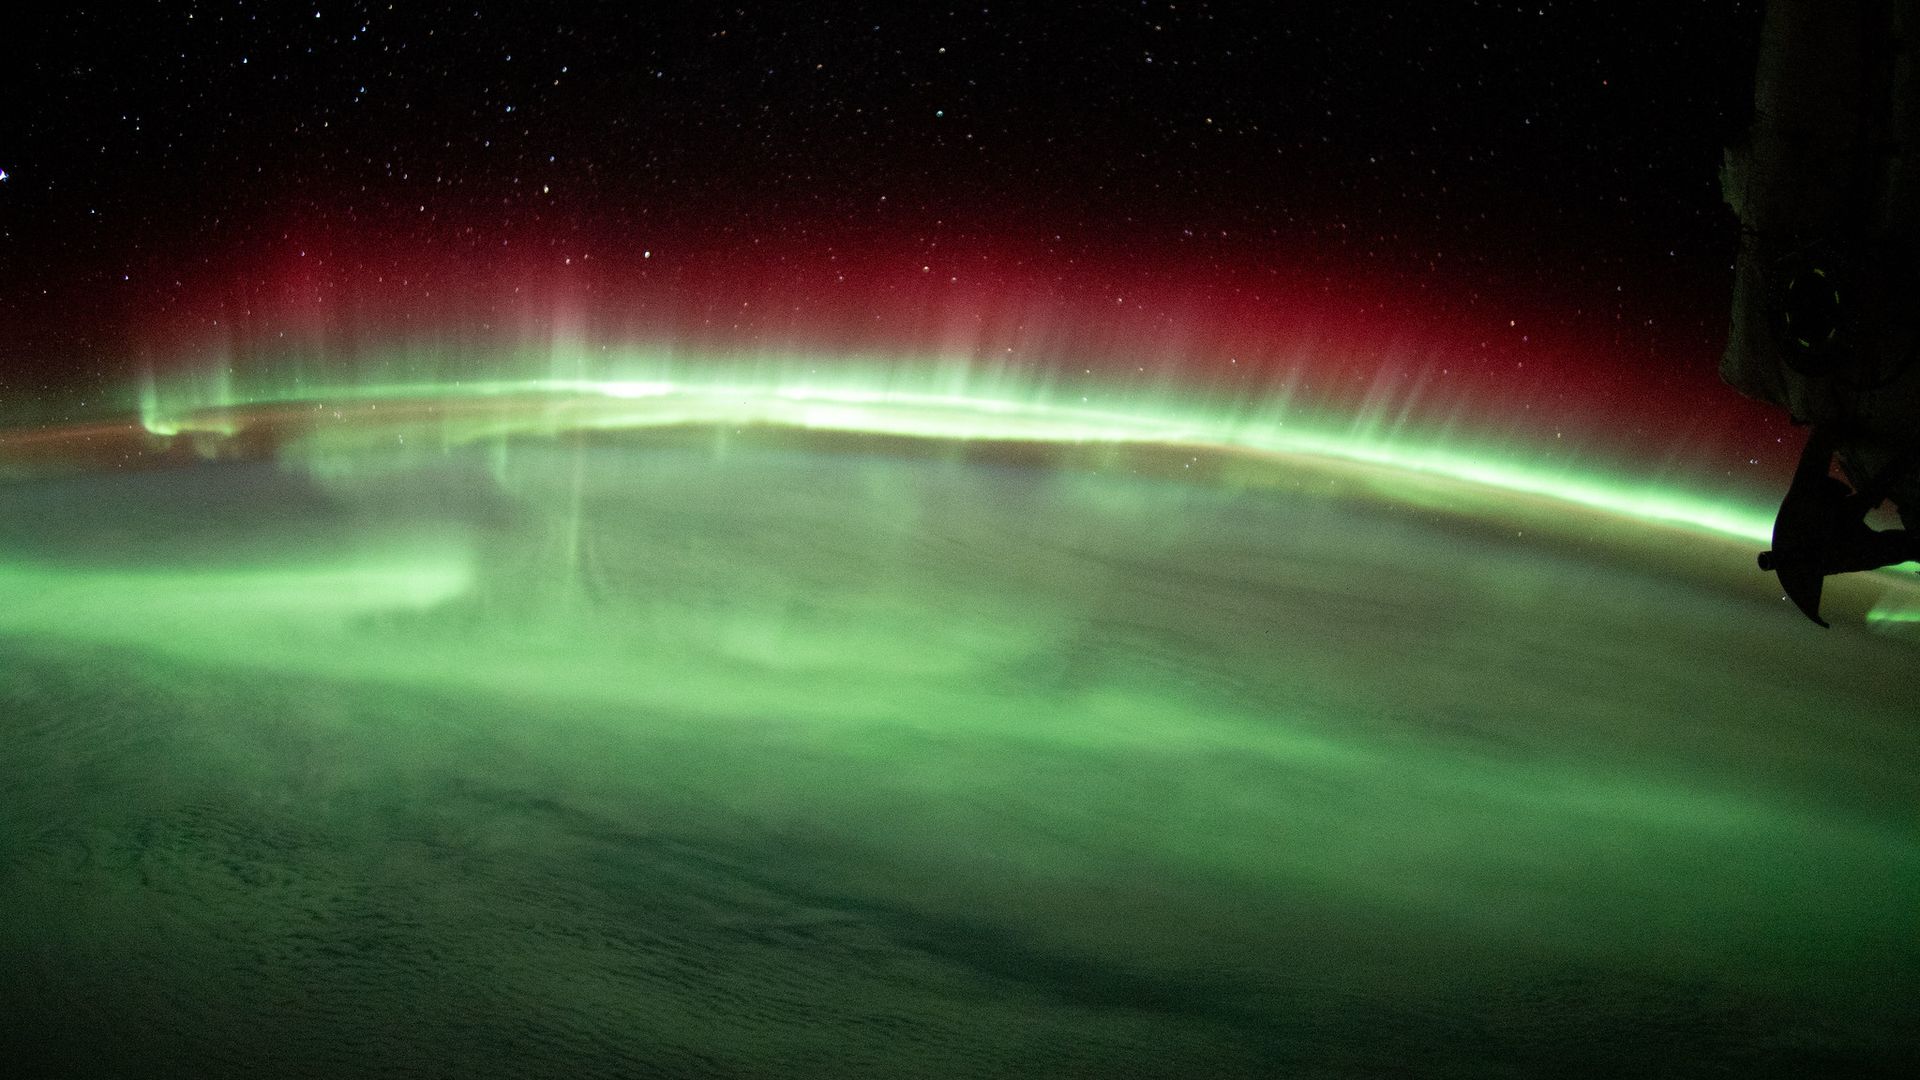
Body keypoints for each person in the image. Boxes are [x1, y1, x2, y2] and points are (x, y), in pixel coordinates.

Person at [1758, 426, 1920, 626]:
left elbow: (1811, 470)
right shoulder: (1798, 539)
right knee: (1879, 507)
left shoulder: (1800, 545)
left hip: (1835, 527)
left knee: (1890, 533)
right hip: (1837, 532)